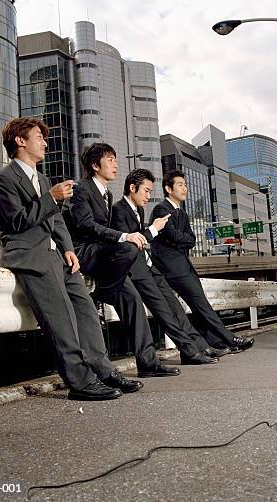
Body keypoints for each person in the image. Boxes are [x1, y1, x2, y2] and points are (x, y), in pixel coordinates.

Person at [0, 118, 141, 400]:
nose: (45, 143)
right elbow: (16, 221)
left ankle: (103, 370)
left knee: (85, 310)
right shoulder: (3, 179)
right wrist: (51, 197)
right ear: (20, 141)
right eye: (38, 137)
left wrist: (68, 248)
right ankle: (80, 382)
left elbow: (57, 220)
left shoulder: (43, 179)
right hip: (31, 256)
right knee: (61, 320)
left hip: (58, 255)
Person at [66, 143, 180, 379]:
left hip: (105, 257)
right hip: (84, 251)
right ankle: (106, 292)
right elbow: (85, 225)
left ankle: (148, 363)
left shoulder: (106, 193)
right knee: (129, 248)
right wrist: (123, 236)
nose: (116, 164)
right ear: (95, 165)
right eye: (110, 160)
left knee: (134, 301)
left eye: (115, 159)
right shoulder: (81, 190)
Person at [111, 168, 225, 364]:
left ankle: (200, 347)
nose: (149, 195)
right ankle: (189, 352)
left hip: (149, 266)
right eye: (146, 191)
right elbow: (130, 243)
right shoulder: (118, 210)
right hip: (135, 270)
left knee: (176, 309)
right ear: (132, 188)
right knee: (165, 313)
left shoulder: (138, 209)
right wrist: (153, 229)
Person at [149, 171, 254, 352]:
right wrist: (179, 239)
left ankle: (215, 342)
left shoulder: (182, 213)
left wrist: (178, 239)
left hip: (183, 265)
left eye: (185, 184)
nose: (185, 188)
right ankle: (230, 339)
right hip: (171, 268)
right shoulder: (161, 209)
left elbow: (191, 239)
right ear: (168, 188)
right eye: (180, 184)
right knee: (201, 304)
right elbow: (171, 234)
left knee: (198, 305)